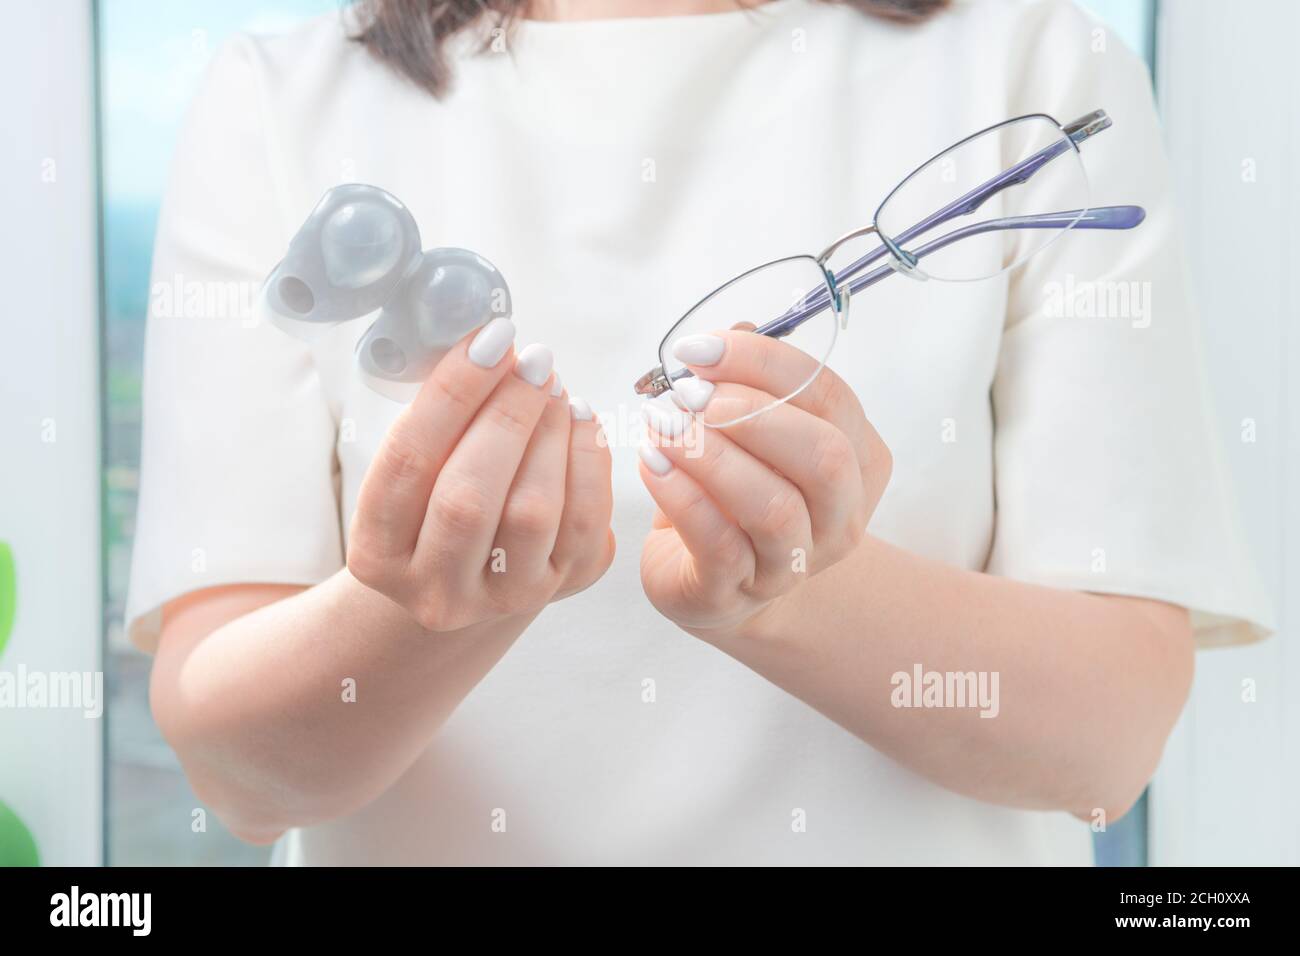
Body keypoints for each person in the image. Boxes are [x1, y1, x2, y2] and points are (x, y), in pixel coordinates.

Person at [126, 0, 1269, 865]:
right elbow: (237, 767)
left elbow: (1109, 738)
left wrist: (800, 596)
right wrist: (416, 616)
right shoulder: (281, 104)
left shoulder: (1039, 69)